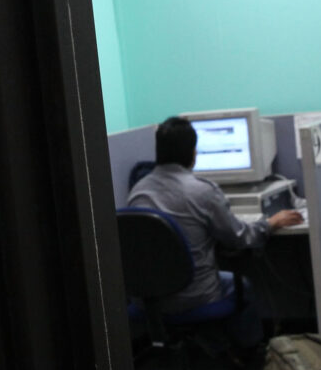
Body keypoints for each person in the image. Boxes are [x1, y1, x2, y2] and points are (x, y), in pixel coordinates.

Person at [127, 116, 304, 355]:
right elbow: (238, 238)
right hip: (195, 296)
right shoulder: (203, 192)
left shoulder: (138, 192)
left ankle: (209, 351)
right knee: (243, 284)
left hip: (148, 301)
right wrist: (270, 223)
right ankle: (253, 356)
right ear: (192, 152)